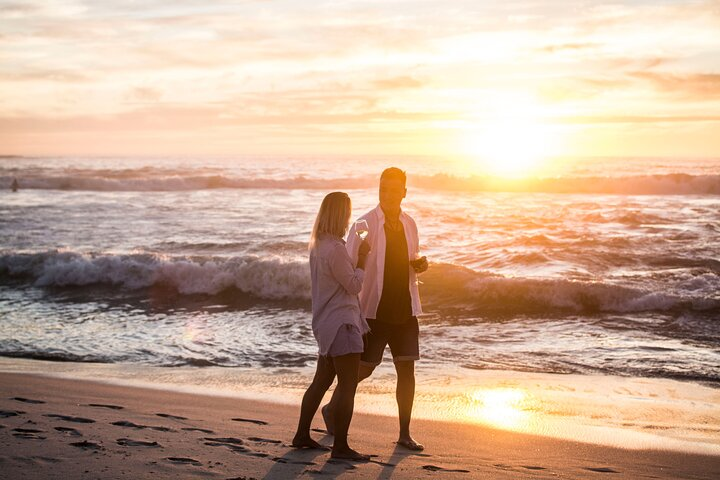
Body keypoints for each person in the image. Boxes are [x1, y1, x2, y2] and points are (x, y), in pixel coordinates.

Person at [323, 167, 428, 451]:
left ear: (404, 192)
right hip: (372, 311)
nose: (388, 194)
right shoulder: (363, 223)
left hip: (405, 308)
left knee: (407, 371)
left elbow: (411, 258)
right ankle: (332, 408)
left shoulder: (410, 223)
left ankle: (404, 434)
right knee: (363, 369)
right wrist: (347, 310)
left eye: (395, 189)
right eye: (384, 188)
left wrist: (420, 264)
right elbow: (346, 266)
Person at [292, 191, 372, 461]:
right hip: (343, 324)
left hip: (325, 323)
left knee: (321, 381)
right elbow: (354, 285)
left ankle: (302, 434)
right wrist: (362, 260)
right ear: (341, 214)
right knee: (348, 386)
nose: (350, 218)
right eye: (348, 212)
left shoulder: (318, 246)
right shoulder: (336, 249)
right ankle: (340, 447)